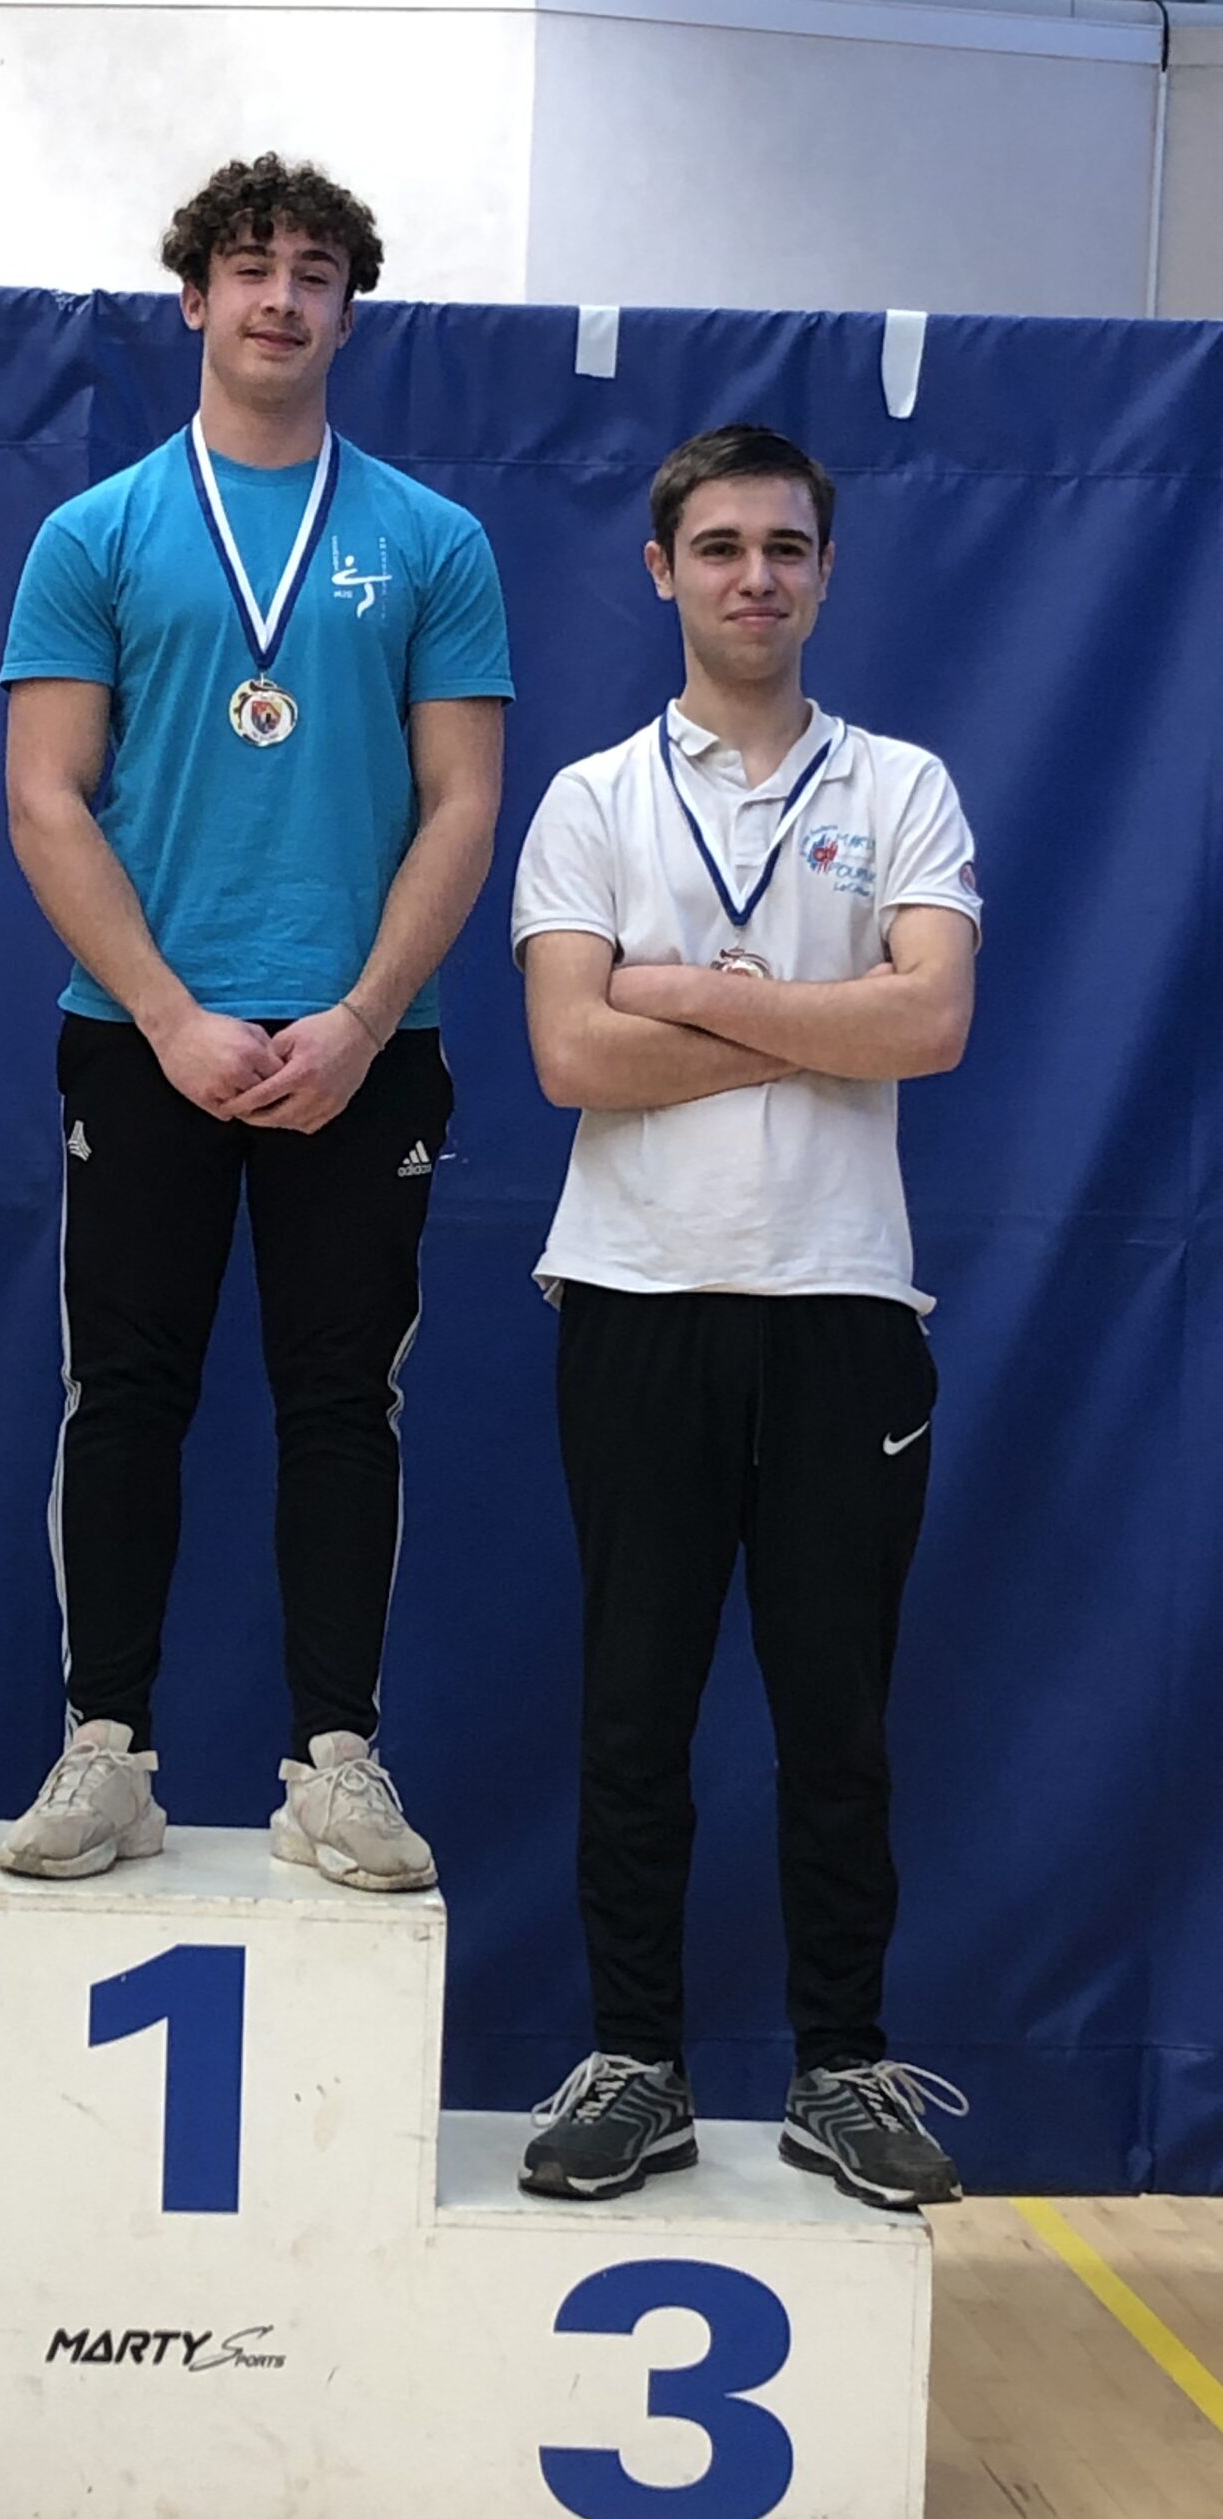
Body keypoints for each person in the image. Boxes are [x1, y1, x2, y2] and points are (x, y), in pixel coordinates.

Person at [0, 155, 512, 1889]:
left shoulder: (432, 541)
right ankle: (106, 1750)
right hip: (144, 1033)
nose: (281, 296)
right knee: (123, 1395)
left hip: (366, 1048)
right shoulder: (97, 533)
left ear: (350, 312)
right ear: (195, 297)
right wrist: (166, 1016)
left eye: (314, 272)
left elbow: (462, 804)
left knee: (343, 1402)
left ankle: (336, 1761)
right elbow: (47, 797)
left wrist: (364, 1016)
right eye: (249, 266)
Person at [511, 424, 977, 2208]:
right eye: (719, 548)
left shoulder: (905, 786)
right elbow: (572, 1055)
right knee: (634, 1709)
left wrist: (684, 996)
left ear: (827, 573)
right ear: (663, 572)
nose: (754, 577)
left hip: (844, 1302)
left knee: (835, 1720)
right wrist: (812, 1013)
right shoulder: (593, 800)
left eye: (786, 547)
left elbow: (930, 1024)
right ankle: (637, 2061)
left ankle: (841, 2068)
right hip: (638, 1293)